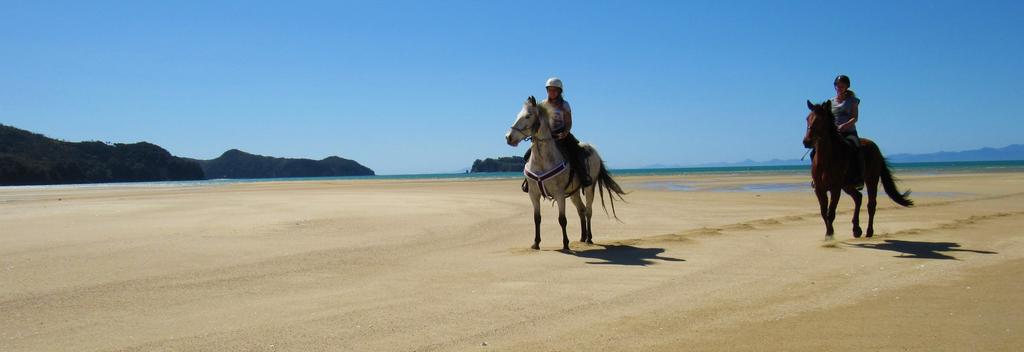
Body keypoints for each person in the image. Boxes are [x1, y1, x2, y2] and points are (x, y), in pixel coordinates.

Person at [522, 77, 592, 192]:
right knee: (527, 155)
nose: (552, 92)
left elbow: (569, 122)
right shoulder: (542, 104)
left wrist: (565, 133)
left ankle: (583, 177)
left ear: (559, 91)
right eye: (550, 90)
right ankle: (528, 181)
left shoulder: (565, 105)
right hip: (545, 136)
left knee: (576, 153)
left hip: (562, 134)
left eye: (555, 90)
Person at [831, 74, 864, 187]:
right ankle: (817, 178)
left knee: (856, 148)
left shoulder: (853, 100)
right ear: (835, 86)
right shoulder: (830, 102)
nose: (839, 88)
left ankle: (859, 177)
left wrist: (844, 125)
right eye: (838, 86)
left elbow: (855, 118)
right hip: (835, 133)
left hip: (849, 132)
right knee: (815, 151)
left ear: (847, 87)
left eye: (842, 86)